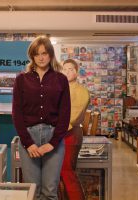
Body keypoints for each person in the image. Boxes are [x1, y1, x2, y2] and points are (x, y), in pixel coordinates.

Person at [12, 36, 71, 200]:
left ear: (50, 54)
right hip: (29, 138)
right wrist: (28, 143)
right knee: (33, 191)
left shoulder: (61, 79)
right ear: (32, 56)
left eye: (44, 53)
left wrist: (52, 143)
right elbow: (17, 114)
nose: (41, 57)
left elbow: (65, 114)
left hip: (54, 138)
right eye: (37, 54)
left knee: (50, 191)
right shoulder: (21, 80)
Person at [58, 59, 90, 200]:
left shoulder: (82, 91)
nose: (68, 72)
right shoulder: (60, 88)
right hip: (59, 134)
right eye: (65, 69)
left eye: (71, 69)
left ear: (77, 72)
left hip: (70, 134)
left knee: (67, 172)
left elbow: (73, 117)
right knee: (58, 174)